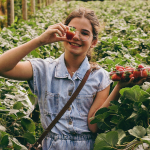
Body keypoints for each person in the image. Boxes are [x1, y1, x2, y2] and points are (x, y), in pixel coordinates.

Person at [0, 7, 146, 150]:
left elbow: (93, 125)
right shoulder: (44, 69)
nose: (76, 36)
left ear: (93, 42)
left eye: (84, 33)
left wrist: (119, 87)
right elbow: (2, 67)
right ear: (63, 33)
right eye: (71, 30)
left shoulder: (100, 77)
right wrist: (40, 41)